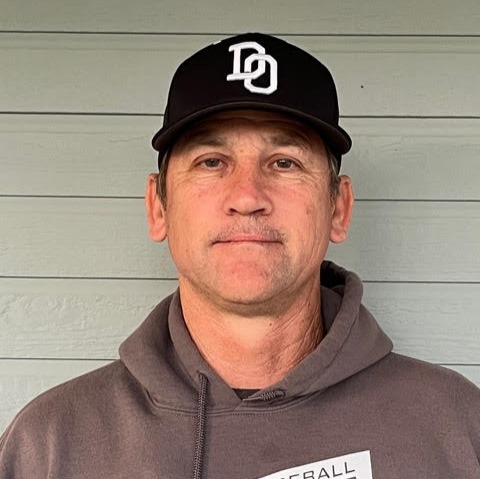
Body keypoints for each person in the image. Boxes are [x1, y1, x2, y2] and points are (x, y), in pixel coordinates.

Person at [1, 32, 479, 479]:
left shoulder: (457, 429)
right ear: (158, 207)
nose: (248, 196)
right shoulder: (47, 447)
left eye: (285, 162)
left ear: (339, 208)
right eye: (211, 162)